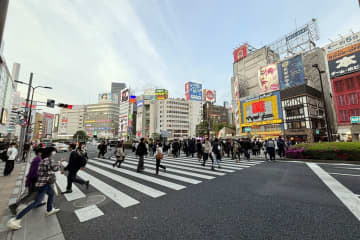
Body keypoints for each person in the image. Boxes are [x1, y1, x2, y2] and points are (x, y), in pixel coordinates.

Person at [7, 147, 60, 230]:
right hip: (44, 184)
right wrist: (59, 164)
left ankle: (49, 209)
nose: (54, 153)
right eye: (54, 152)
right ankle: (16, 219)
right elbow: (55, 169)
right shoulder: (48, 160)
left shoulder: (42, 160)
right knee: (37, 202)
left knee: (51, 194)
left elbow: (45, 171)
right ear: (50, 152)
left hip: (42, 183)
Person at [8, 148, 45, 215]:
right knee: (31, 195)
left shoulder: (37, 159)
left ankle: (37, 203)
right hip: (34, 180)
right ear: (40, 153)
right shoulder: (38, 160)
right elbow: (34, 172)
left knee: (34, 194)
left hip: (33, 180)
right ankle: (14, 205)